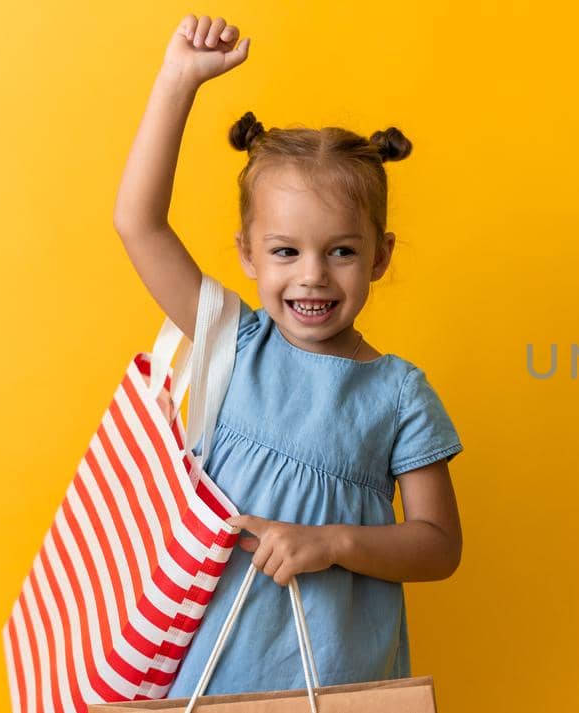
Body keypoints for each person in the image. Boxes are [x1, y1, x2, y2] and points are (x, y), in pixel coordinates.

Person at [112, 14, 464, 697]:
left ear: (379, 256)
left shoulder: (400, 394)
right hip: (204, 673)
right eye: (285, 251)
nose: (312, 276)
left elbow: (439, 543)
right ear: (247, 253)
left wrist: (331, 542)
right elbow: (138, 222)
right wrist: (178, 80)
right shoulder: (234, 343)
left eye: (341, 251)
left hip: (332, 681)